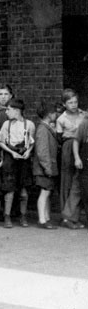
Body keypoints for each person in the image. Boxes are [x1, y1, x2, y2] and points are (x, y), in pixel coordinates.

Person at [0, 98, 35, 228]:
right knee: (9, 189)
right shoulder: (6, 125)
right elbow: (1, 142)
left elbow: (31, 142)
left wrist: (28, 151)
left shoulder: (29, 124)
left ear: (17, 110)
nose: (6, 112)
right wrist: (11, 152)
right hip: (10, 158)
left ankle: (22, 216)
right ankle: (7, 216)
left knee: (24, 190)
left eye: (9, 109)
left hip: (23, 160)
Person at [57, 89, 86, 230]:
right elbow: (59, 138)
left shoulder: (84, 115)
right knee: (68, 182)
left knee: (79, 183)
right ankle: (66, 217)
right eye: (70, 102)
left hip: (83, 147)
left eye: (75, 102)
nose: (74, 105)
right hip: (69, 149)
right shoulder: (61, 119)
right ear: (64, 104)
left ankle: (75, 216)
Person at [33, 102, 61, 229]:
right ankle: (42, 219)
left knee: (47, 192)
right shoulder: (43, 129)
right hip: (44, 168)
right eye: (54, 113)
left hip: (45, 167)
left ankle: (46, 217)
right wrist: (48, 168)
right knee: (44, 192)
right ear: (49, 115)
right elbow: (42, 151)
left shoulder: (45, 128)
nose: (56, 115)